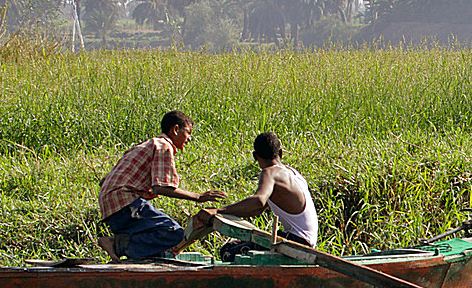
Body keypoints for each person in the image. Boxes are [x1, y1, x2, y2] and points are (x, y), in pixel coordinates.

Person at [96, 110, 226, 260]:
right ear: (175, 129)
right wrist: (199, 197)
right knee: (173, 233)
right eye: (188, 132)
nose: (189, 139)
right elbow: (162, 187)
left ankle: (137, 256)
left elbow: (106, 180)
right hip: (124, 202)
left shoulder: (147, 144)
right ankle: (116, 244)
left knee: (155, 245)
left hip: (111, 205)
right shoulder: (164, 146)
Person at [195, 132, 318, 260]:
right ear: (281, 153)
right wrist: (221, 214)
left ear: (255, 156)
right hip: (303, 239)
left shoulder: (270, 173)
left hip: (298, 242)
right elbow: (258, 209)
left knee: (228, 252)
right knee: (233, 246)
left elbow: (258, 201)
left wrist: (217, 210)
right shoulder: (292, 173)